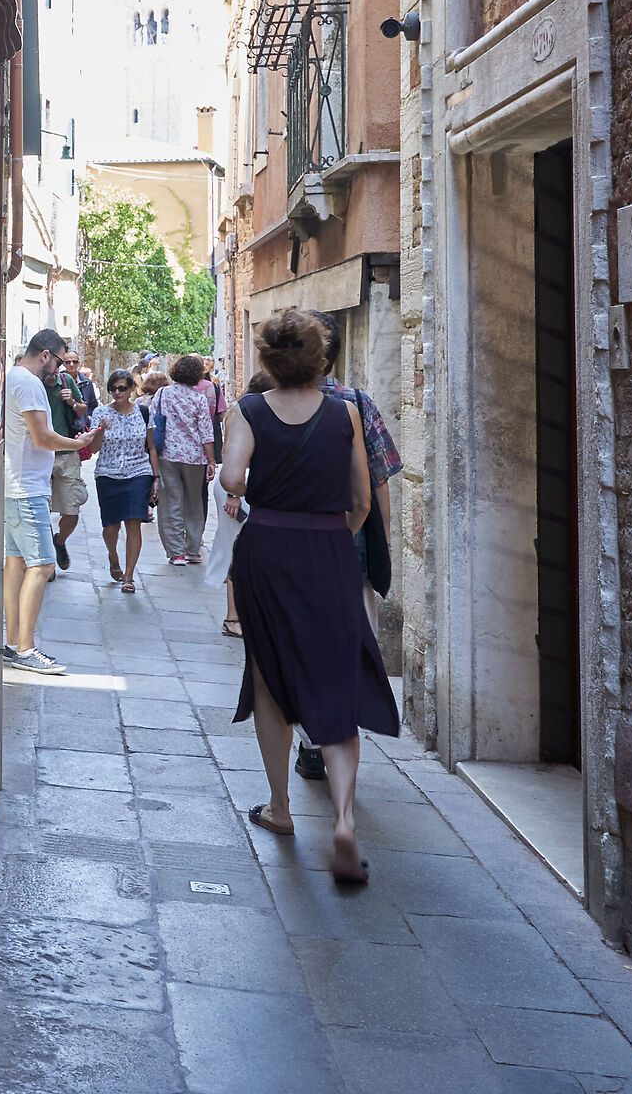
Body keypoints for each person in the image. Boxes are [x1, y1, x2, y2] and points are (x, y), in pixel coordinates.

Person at [218, 309, 399, 884]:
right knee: (335, 675)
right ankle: (343, 819)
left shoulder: (246, 410)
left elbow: (228, 478)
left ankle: (280, 808)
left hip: (267, 548)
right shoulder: (346, 413)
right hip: (329, 550)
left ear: (268, 359)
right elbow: (363, 500)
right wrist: (331, 537)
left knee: (269, 678)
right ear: (320, 357)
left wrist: (264, 493)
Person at [289, 309, 406, 782]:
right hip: (348, 545)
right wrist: (384, 541)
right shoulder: (359, 402)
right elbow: (379, 483)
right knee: (349, 643)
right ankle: (332, 732)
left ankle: (310, 740)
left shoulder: (271, 401)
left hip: (292, 547)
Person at [0, 330, 98, 675]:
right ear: (45, 355)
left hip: (17, 486)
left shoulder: (14, 376)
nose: (59, 371)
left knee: (16, 565)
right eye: (58, 362)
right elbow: (42, 437)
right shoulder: (28, 383)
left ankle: (13, 644)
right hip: (27, 488)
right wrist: (79, 442)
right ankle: (25, 647)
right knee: (41, 566)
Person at [220, 371, 275, 638]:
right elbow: (228, 454)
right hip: (240, 487)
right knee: (237, 550)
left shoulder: (258, 410)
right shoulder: (243, 411)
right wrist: (234, 495)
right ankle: (233, 616)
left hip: (251, 487)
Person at [92, 368, 156, 590]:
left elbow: (151, 447)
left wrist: (155, 477)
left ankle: (129, 576)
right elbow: (93, 449)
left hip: (138, 472)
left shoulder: (143, 412)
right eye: (113, 388)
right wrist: (100, 431)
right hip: (108, 473)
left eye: (122, 388)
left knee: (133, 523)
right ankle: (113, 555)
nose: (117, 392)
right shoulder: (100, 413)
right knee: (111, 526)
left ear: (131, 389)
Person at [153, 354, 219, 566]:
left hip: (167, 455)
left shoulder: (162, 394)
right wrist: (211, 461)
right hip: (194, 457)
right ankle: (192, 549)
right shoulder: (199, 398)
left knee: (171, 501)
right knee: (194, 502)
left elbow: (153, 424)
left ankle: (176, 552)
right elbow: (206, 434)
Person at [44, 354, 93, 569]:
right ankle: (46, 561)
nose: (62, 367)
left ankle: (59, 541)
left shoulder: (67, 381)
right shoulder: (34, 382)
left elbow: (83, 409)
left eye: (62, 364)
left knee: (72, 511)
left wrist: (71, 401)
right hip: (40, 455)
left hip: (66, 454)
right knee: (40, 509)